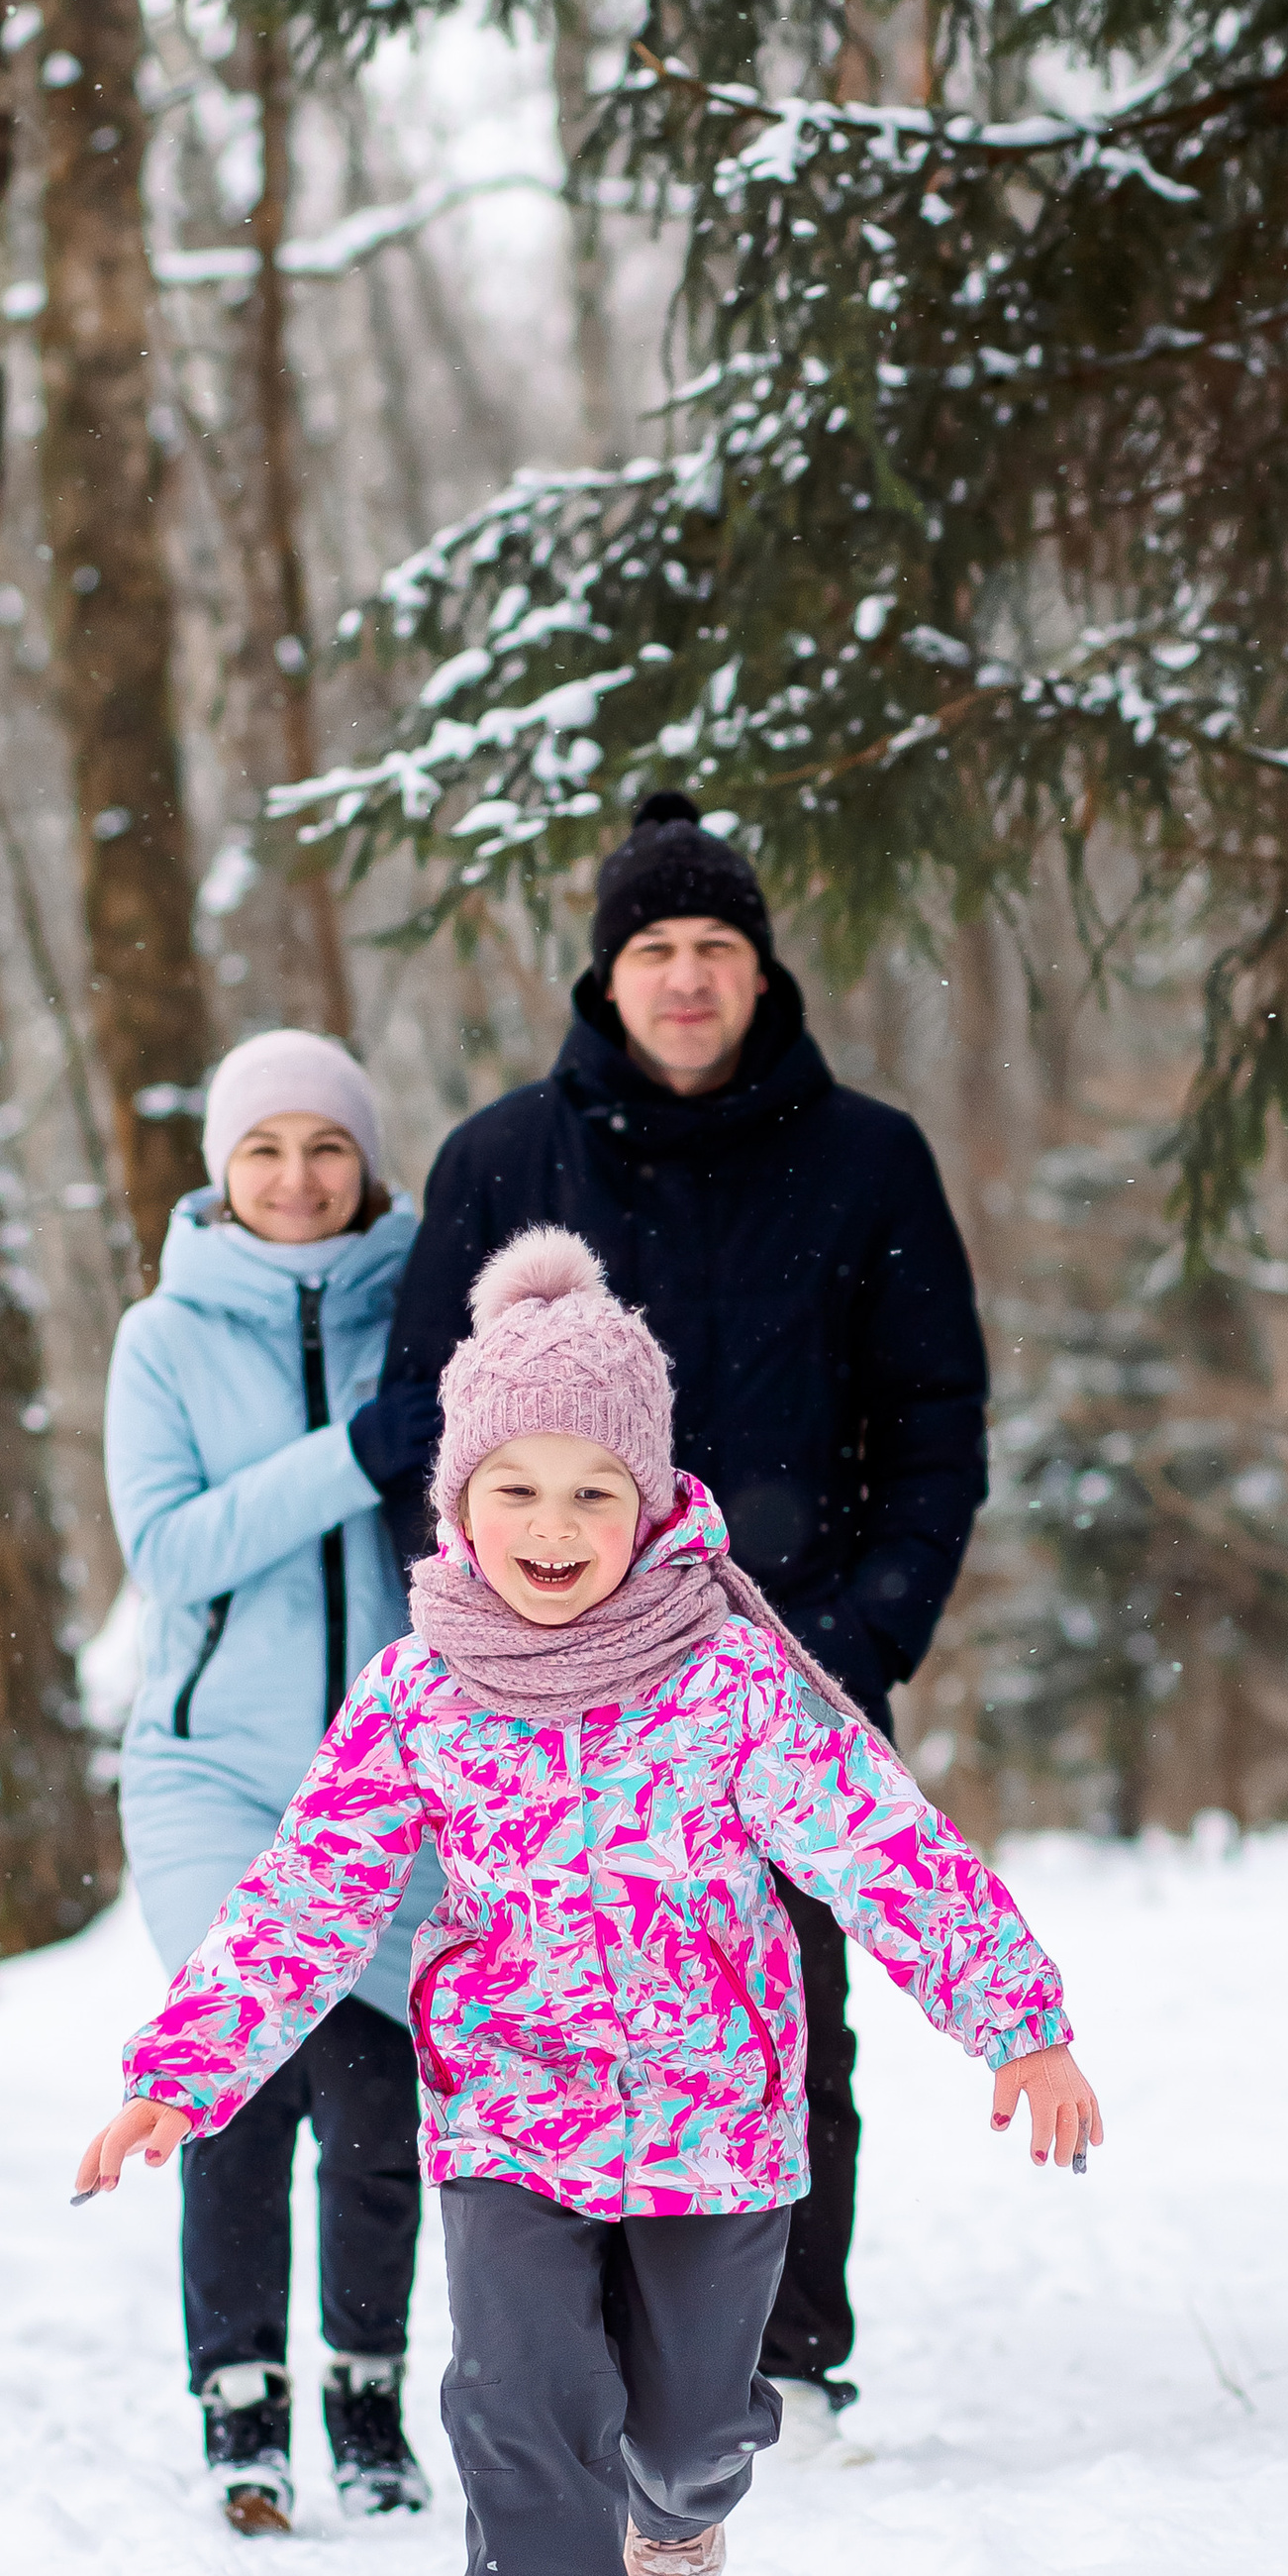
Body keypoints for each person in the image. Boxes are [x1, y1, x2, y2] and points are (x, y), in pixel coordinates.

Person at [76, 1231, 1100, 2576]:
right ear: (458, 1503)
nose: (552, 1528)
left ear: (649, 1503)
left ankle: (681, 2509)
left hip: (718, 2124)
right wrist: (183, 2072)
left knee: (691, 2421)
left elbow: (885, 1847)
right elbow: (306, 1898)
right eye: (516, 1490)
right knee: (514, 2400)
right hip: (506, 2111)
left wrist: (1015, 2022)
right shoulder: (419, 1694)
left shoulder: (730, 1676)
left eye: (590, 1494)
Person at [350, 791, 988, 2459]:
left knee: (789, 2009)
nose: (688, 978)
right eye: (656, 949)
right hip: (533, 1683)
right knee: (545, 2008)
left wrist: (861, 1633)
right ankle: (580, 2354)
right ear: (606, 973)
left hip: (789, 1670)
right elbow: (423, 1409)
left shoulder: (870, 1158)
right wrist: (488, 1612)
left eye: (716, 948)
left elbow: (937, 1425)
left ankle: (783, 2353)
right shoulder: (502, 1158)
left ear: (762, 971)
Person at [102, 1030, 444, 2534]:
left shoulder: (431, 1319)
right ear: (221, 1175)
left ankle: (366, 2395)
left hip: (388, 1786)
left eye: (324, 1147)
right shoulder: (160, 1340)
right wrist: (352, 1454)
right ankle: (241, 2404)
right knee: (235, 2075)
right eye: (263, 1150)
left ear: (363, 1164)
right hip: (209, 1775)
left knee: (380, 2101)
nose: (297, 1178)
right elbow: (169, 1550)